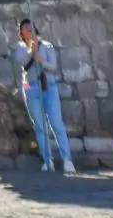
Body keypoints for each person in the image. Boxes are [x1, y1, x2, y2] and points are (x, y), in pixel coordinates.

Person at [13, 19, 74, 173]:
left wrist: (41, 61)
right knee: (40, 127)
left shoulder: (46, 46)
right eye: (25, 29)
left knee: (56, 123)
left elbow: (52, 66)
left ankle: (67, 159)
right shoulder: (20, 48)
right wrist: (31, 51)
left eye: (31, 28)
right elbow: (23, 63)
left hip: (48, 87)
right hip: (31, 88)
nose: (29, 31)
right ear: (21, 33)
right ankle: (47, 161)